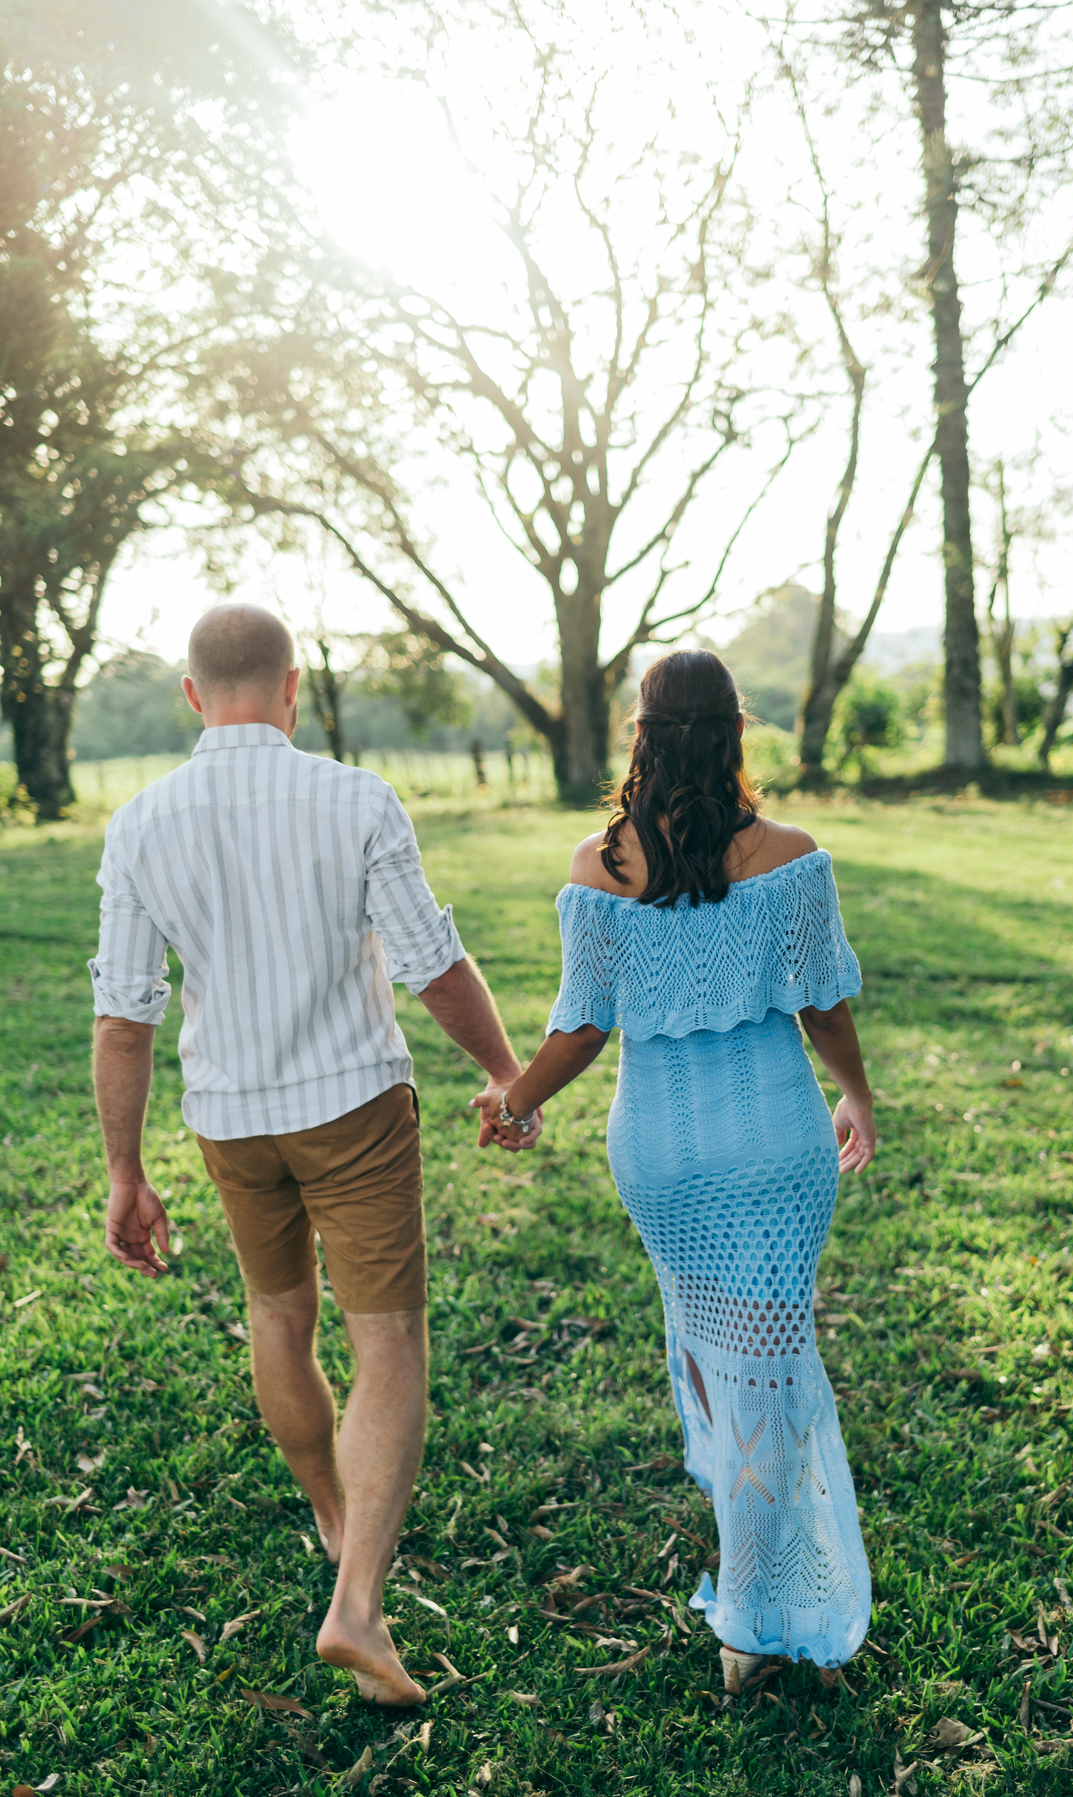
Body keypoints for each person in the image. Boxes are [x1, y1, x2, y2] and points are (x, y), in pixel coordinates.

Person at [89, 603, 538, 1708]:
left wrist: (126, 1172)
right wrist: (503, 1073)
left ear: (194, 696)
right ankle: (359, 1604)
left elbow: (123, 1017)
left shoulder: (139, 824)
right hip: (354, 1107)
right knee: (385, 1342)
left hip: (229, 1117)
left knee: (278, 1321)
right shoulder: (355, 798)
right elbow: (432, 966)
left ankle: (338, 1521)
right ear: (292, 687)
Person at [474, 649, 874, 1690]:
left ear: (640, 737)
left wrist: (516, 1099)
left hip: (661, 1155)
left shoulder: (598, 867)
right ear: (736, 731)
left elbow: (580, 1029)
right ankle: (775, 1611)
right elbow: (822, 1006)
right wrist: (860, 1095)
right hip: (777, 1147)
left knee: (716, 1357)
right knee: (775, 1367)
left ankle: (758, 1611)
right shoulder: (791, 855)